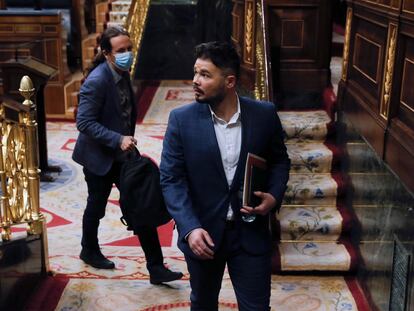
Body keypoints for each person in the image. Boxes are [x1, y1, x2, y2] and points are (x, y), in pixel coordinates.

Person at [160, 41, 290, 310]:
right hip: (203, 235)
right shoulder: (181, 120)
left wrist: (274, 197)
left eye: (205, 75)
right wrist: (190, 227)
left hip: (250, 233)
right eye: (195, 72)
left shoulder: (263, 114)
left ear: (229, 81)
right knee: (204, 304)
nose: (195, 80)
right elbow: (171, 179)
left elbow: (280, 161)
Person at [72, 26, 183, 284]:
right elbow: (84, 122)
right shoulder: (98, 81)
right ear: (106, 53)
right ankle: (88, 249)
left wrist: (126, 141)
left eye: (129, 49)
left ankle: (156, 268)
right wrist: (117, 138)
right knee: (96, 207)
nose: (128, 54)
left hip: (124, 157)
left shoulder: (123, 72)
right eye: (121, 51)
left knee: (141, 205)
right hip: (98, 158)